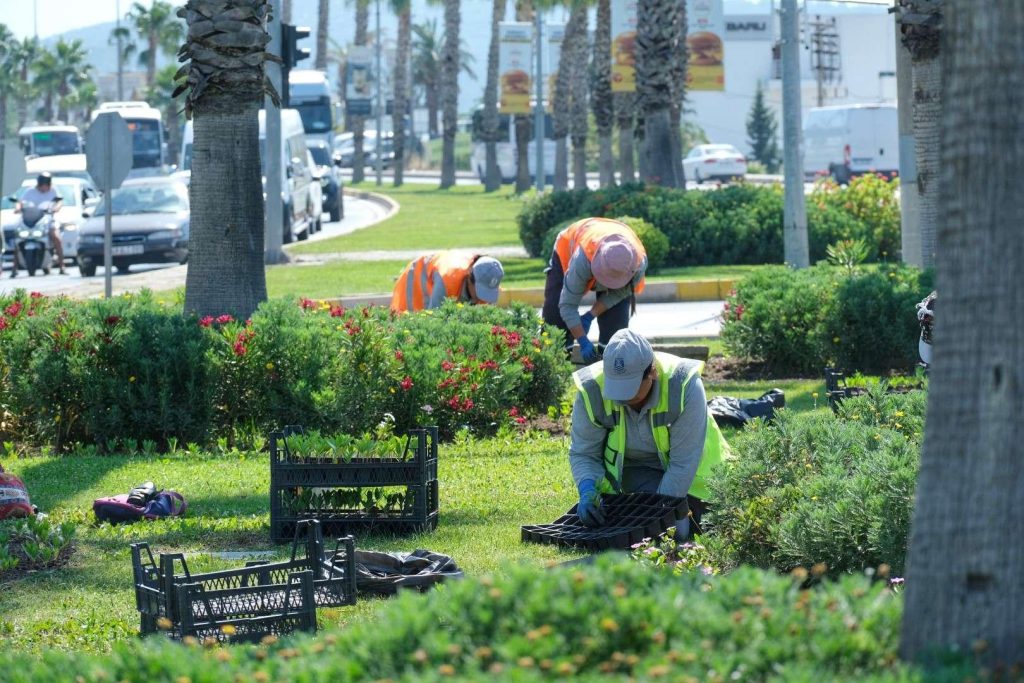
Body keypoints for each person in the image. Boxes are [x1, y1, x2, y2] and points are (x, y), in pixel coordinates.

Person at [568, 329, 731, 539]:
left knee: (679, 532)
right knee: (657, 530)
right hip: (639, 473)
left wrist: (659, 516)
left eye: (630, 388)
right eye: (616, 388)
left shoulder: (683, 385)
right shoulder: (592, 388)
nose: (621, 398)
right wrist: (588, 489)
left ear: (652, 372)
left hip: (697, 479)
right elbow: (584, 453)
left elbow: (682, 465)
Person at [542, 217, 648, 363]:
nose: (608, 284)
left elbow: (618, 294)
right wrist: (582, 340)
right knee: (555, 317)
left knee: (616, 321)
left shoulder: (637, 264)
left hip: (611, 250)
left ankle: (611, 367)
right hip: (567, 250)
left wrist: (590, 315)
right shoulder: (582, 258)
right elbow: (567, 305)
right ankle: (555, 367)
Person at [390, 252, 505, 312]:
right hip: (416, 279)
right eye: (480, 291)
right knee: (412, 328)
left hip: (439, 276)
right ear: (470, 278)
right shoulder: (446, 280)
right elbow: (434, 319)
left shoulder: (490, 279)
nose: (482, 298)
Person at [14, 172, 65, 276]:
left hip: (47, 220)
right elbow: (21, 202)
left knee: (56, 237)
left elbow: (59, 202)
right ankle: (14, 268)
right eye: (42, 185)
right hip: (32, 220)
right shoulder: (30, 191)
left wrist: (56, 208)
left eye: (46, 185)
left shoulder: (53, 191)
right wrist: (18, 208)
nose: (44, 188)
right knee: (18, 240)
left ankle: (62, 266)